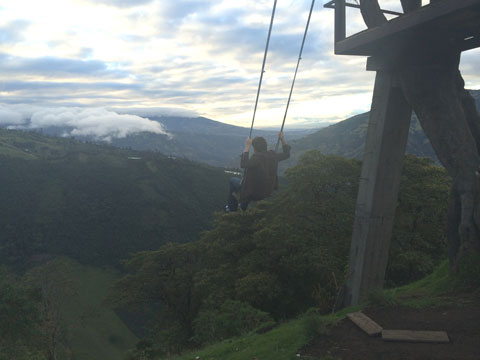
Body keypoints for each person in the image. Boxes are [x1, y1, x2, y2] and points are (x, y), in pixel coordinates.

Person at [225, 132, 291, 212]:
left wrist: (247, 146)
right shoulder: (273, 155)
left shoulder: (257, 158)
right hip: (267, 191)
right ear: (265, 146)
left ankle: (231, 209)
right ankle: (242, 206)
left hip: (254, 193)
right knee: (252, 181)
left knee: (232, 181)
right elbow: (287, 154)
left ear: (255, 148)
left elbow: (243, 164)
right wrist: (282, 139)